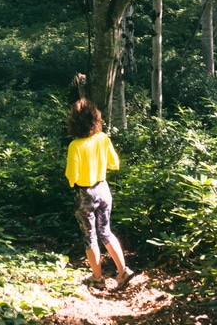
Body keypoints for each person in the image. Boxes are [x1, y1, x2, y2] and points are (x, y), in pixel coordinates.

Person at [65, 98, 137, 291]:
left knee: (90, 238)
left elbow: (72, 176)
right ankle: (122, 271)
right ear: (96, 119)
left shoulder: (75, 146)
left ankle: (97, 279)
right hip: (103, 189)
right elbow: (115, 164)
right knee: (106, 232)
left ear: (74, 122)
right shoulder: (103, 138)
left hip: (85, 193)